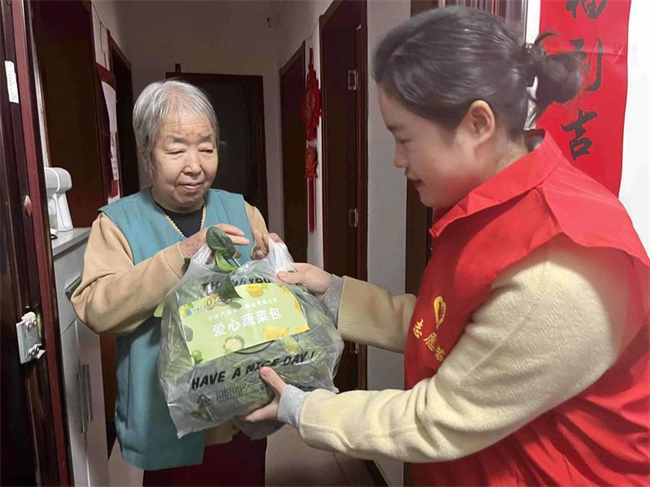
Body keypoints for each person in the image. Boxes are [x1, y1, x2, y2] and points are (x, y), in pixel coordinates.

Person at [244, 7, 650, 486]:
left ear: (478, 124)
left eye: (405, 139)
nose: (398, 160)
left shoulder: (558, 265)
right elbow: (451, 329)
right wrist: (334, 294)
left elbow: (435, 419)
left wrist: (304, 408)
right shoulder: (487, 204)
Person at [72, 80, 276, 486]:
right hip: (166, 420)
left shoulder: (241, 209)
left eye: (206, 148)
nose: (194, 165)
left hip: (240, 411)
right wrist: (183, 254)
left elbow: (267, 302)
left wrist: (268, 264)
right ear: (147, 151)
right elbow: (97, 308)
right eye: (177, 149)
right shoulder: (117, 223)